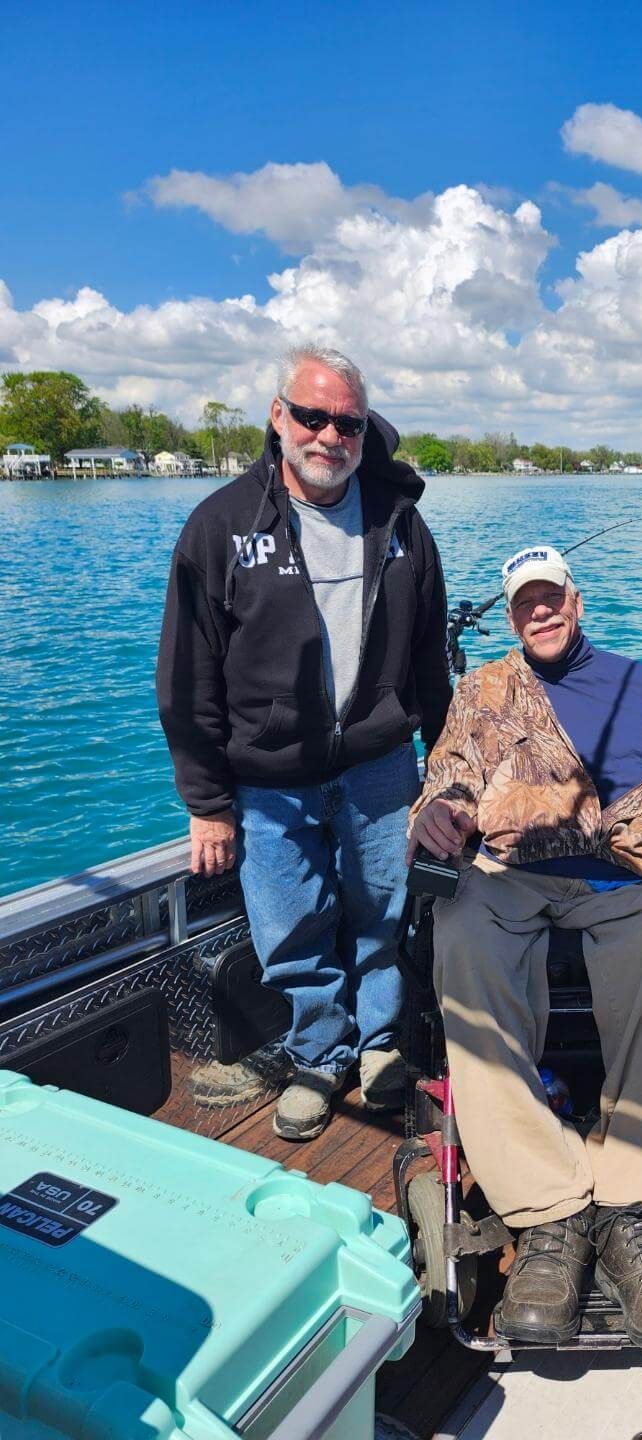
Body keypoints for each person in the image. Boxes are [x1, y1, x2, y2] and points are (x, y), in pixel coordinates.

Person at [408, 544, 642, 1352]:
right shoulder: (483, 691)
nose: (541, 612)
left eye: (552, 598)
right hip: (508, 873)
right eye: (525, 603)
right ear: (513, 615)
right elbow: (444, 782)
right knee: (463, 937)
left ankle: (633, 1204)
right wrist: (433, 817)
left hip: (620, 880)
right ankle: (548, 1209)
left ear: (578, 602)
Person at [157, 342, 450, 1140]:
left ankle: (384, 1044)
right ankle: (321, 1050)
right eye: (312, 416)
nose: (329, 436)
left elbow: (430, 658)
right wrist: (208, 804)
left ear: (365, 429)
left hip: (382, 766)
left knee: (385, 914)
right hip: (268, 781)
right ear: (278, 417)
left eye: (347, 422)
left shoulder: (401, 522)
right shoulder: (220, 526)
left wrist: (445, 767)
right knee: (291, 925)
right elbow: (187, 679)